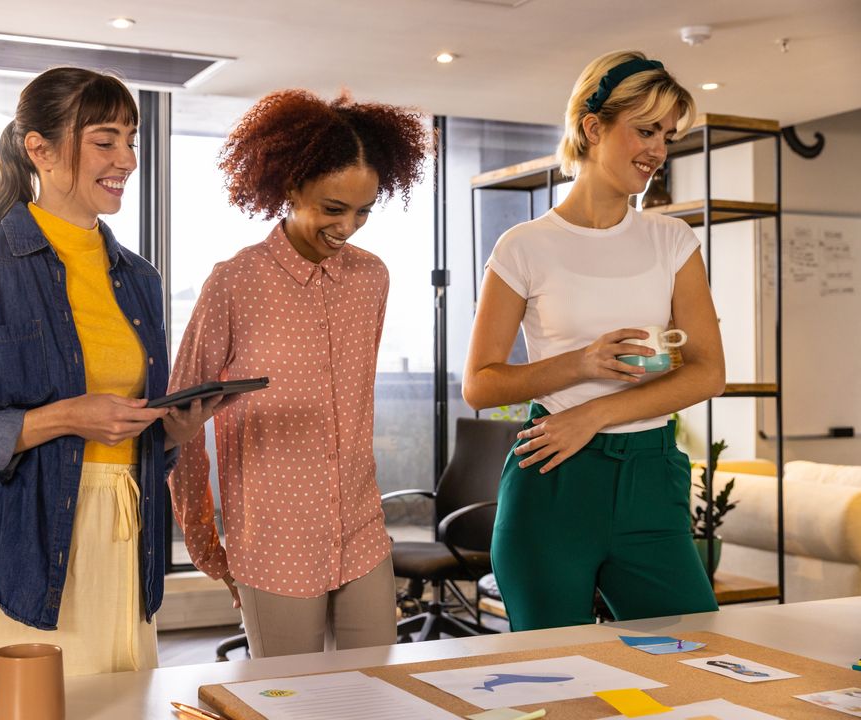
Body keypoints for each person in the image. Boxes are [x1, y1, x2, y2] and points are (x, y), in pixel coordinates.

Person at [0, 67, 213, 687]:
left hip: (126, 555)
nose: (127, 159)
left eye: (131, 140)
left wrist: (171, 433)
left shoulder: (140, 279)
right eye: (104, 141)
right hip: (18, 560)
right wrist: (63, 418)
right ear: (39, 149)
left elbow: (134, 444)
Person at [463, 50, 726, 631]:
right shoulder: (523, 246)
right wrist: (582, 363)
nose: (658, 150)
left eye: (667, 136)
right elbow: (480, 385)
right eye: (645, 130)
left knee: (694, 652)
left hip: (650, 478)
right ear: (592, 127)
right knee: (554, 669)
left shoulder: (672, 241)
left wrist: (593, 414)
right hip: (553, 481)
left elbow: (708, 371)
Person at [167, 89, 432, 658]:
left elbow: (357, 403)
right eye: (333, 209)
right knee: (288, 697)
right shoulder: (234, 282)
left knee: (376, 688)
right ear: (290, 187)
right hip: (274, 538)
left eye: (363, 211)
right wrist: (206, 541)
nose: (348, 227)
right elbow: (179, 422)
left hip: (361, 528)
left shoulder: (372, 278)